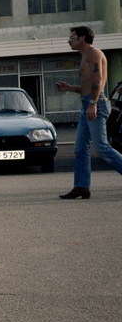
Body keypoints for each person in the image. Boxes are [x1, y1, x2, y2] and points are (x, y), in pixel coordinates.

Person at [55, 25, 122, 199]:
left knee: (102, 147)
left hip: (95, 104)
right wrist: (70, 88)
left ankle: (82, 186)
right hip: (88, 103)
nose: (69, 40)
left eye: (72, 37)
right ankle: (82, 187)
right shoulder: (84, 55)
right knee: (80, 149)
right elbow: (87, 87)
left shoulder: (93, 54)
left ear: (83, 38)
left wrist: (92, 103)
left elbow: (98, 80)